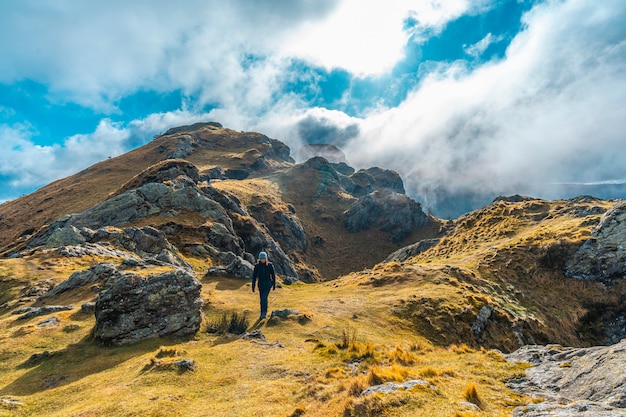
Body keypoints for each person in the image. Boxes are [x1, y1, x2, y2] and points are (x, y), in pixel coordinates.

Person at [251, 251, 276, 319]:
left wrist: (274, 284)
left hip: (268, 284)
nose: (263, 260)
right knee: (262, 299)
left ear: (266, 259)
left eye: (264, 258)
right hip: (261, 285)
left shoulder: (270, 265)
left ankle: (264, 313)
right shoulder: (257, 266)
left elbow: (273, 275)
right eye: (261, 259)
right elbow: (254, 276)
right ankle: (262, 312)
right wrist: (253, 286)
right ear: (259, 259)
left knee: (264, 298)